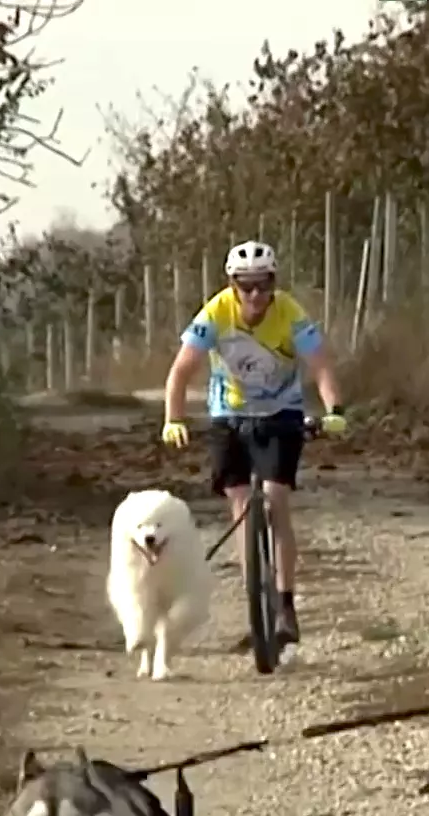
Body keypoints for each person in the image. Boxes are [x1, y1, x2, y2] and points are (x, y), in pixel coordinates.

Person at [161, 241, 349, 645]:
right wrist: (173, 419)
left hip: (280, 413)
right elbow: (181, 371)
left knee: (276, 499)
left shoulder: (290, 313)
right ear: (232, 285)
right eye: (245, 286)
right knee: (241, 505)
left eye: (263, 285)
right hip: (228, 414)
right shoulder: (216, 312)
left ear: (273, 282)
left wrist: (335, 410)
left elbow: (321, 367)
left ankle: (285, 604)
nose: (255, 295)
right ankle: (255, 599)